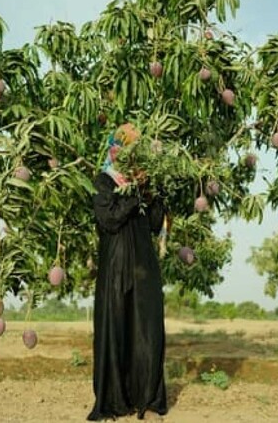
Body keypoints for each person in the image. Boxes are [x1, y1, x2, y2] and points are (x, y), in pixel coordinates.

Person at [87, 123, 168, 421]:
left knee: (146, 331)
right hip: (116, 268)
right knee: (116, 331)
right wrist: (133, 195)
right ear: (115, 149)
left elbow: (156, 223)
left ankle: (147, 397)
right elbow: (108, 219)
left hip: (144, 269)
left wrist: (152, 192)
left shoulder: (144, 183)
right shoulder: (104, 181)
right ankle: (113, 400)